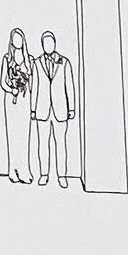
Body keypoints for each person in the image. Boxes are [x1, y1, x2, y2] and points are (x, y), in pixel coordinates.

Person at [32, 31, 78, 187]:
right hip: (42, 110)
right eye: (45, 44)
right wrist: (33, 109)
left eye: (50, 43)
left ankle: (62, 175)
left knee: (61, 143)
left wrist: (71, 107)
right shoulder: (37, 63)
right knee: (42, 143)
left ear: (55, 44)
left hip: (60, 110)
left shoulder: (64, 62)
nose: (48, 46)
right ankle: (44, 174)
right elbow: (35, 87)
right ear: (42, 45)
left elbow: (69, 86)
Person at [0, 27, 36, 183]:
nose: (17, 41)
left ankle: (24, 170)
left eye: (20, 38)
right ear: (11, 41)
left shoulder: (30, 60)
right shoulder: (7, 58)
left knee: (24, 134)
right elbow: (2, 82)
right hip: (11, 100)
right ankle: (13, 170)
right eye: (15, 38)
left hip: (25, 100)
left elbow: (33, 82)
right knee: (12, 134)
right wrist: (12, 89)